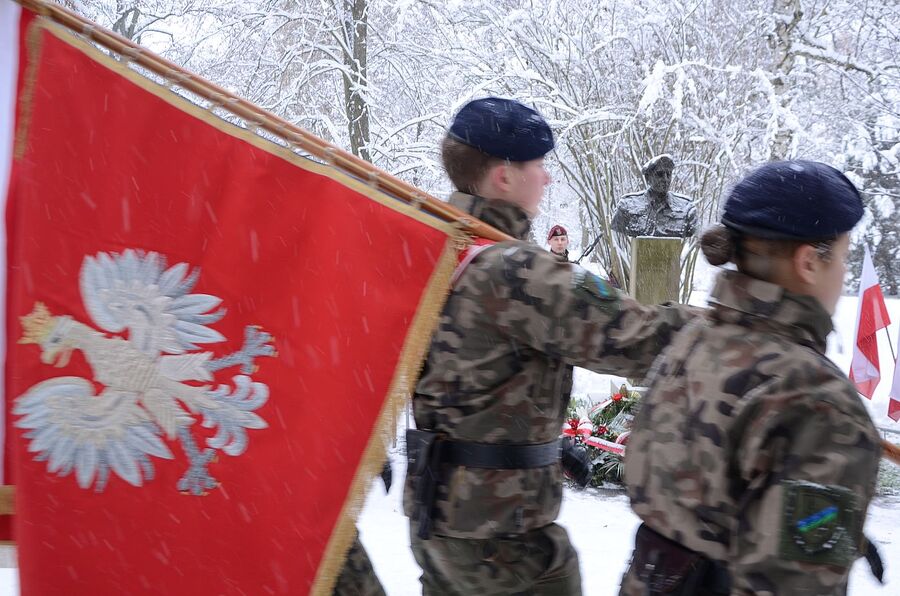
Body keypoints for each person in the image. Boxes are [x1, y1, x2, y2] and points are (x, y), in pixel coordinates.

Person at [403, 97, 698, 595]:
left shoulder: (428, 248)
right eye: (539, 165)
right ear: (503, 175)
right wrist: (733, 326)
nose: (547, 178)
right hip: (502, 537)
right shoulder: (516, 270)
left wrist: (542, 443)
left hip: (440, 515)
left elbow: (467, 382)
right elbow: (637, 337)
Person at [619, 160, 883, 595]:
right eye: (842, 257)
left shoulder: (692, 339)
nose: (843, 274)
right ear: (808, 262)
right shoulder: (816, 399)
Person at [611, 154, 697, 238]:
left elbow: (699, 236)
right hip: (639, 251)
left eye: (668, 174)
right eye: (660, 174)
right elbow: (614, 236)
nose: (665, 179)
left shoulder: (686, 207)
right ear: (648, 178)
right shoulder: (628, 205)